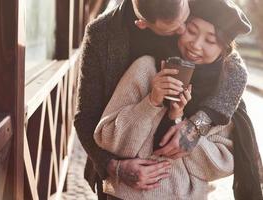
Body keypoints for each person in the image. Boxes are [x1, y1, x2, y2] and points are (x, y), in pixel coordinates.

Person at [74, 0, 252, 199]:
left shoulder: (221, 75)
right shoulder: (109, 38)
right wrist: (113, 166)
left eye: (186, 20)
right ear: (143, 24)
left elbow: (232, 62)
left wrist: (192, 124)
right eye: (181, 28)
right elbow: (88, 118)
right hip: (123, 187)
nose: (193, 41)